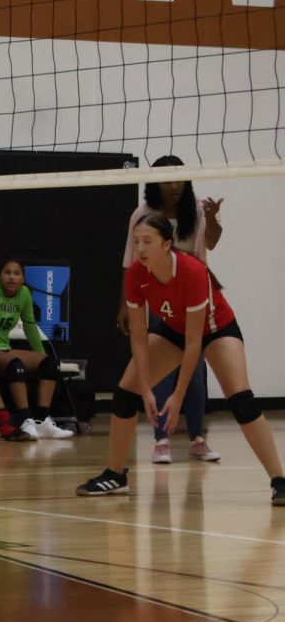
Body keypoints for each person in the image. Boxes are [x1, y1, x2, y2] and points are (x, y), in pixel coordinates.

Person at [77, 212, 285, 505]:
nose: (141, 248)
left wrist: (177, 395)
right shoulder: (136, 274)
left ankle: (279, 479)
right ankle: (115, 473)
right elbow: (138, 337)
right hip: (174, 328)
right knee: (125, 394)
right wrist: (147, 388)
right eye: (136, 242)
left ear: (166, 244)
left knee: (241, 400)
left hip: (216, 329)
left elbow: (194, 342)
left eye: (147, 241)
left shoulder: (192, 271)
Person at [118, 155, 222, 463]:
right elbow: (129, 261)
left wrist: (214, 218)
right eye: (167, 179)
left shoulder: (197, 210)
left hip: (193, 295)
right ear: (156, 183)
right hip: (159, 296)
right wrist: (124, 304)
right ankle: (161, 439)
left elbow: (212, 243)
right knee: (158, 368)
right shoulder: (144, 213)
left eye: (178, 178)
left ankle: (198, 438)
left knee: (196, 368)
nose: (174, 185)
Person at [0, 256, 74, 440]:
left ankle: (42, 421)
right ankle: (25, 420)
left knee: (49, 364)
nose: (12, 277)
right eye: (7, 273)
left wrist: (41, 358)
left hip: (4, 348)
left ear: (23, 278)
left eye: (17, 273)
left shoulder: (23, 294)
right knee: (16, 365)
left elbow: (30, 327)